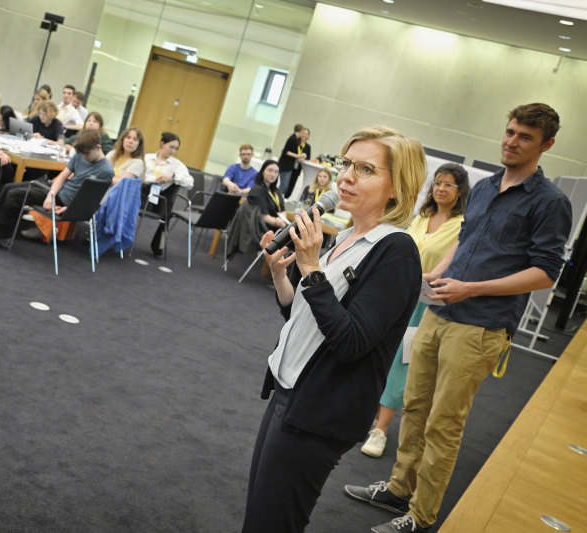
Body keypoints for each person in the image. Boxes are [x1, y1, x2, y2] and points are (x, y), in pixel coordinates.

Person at [344, 103, 572, 533]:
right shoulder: (484, 187)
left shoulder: (550, 202)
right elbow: (464, 241)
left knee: (443, 423)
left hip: (481, 325)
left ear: (547, 145)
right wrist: (438, 273)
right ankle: (398, 490)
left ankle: (421, 515)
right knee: (414, 406)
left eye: (525, 137)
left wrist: (472, 288)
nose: (512, 141)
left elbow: (546, 273)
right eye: (510, 131)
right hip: (438, 309)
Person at [241, 125, 426, 533]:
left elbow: (350, 342)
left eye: (365, 169)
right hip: (289, 390)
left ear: (397, 188)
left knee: (272, 524)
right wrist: (282, 276)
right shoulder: (344, 236)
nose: (345, 176)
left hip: (319, 409)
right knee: (259, 515)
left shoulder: (396, 252)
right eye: (346, 164)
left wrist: (311, 267)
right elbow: (304, 317)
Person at [359, 163, 470, 459]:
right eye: (438, 183)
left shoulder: (462, 226)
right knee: (376, 353)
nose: (441, 188)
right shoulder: (420, 217)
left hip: (425, 305)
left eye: (448, 184)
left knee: (402, 362)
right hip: (395, 295)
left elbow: (448, 267)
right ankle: (366, 414)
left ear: (460, 191)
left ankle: (381, 429)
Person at [0, 129, 113, 247]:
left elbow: (90, 200)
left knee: (14, 194)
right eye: (82, 154)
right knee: (8, 188)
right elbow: (62, 177)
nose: (84, 157)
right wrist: (51, 195)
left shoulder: (106, 171)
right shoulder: (80, 155)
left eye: (87, 154)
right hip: (55, 191)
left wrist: (67, 208)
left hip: (63, 200)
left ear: (98, 147)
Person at [141, 132, 193, 256]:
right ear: (162, 144)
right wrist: (154, 179)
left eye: (176, 149)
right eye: (171, 147)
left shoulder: (177, 165)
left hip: (158, 200)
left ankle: (158, 246)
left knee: (166, 210)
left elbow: (190, 183)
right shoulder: (146, 158)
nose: (173, 151)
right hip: (142, 191)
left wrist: (173, 175)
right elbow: (136, 175)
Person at [246, 159, 287, 231]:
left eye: (276, 172)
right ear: (263, 171)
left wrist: (282, 220)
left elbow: (282, 210)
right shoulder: (257, 190)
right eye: (270, 170)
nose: (273, 174)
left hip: (276, 226)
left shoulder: (276, 191)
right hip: (260, 228)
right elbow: (264, 217)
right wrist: (284, 225)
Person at [278, 125, 310, 198]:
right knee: (284, 186)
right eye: (303, 133)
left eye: (306, 134)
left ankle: (282, 198)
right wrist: (297, 156)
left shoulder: (307, 146)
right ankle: (277, 198)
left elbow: (308, 158)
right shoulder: (294, 140)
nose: (304, 135)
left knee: (289, 187)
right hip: (288, 166)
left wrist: (303, 159)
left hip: (296, 169)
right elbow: (285, 151)